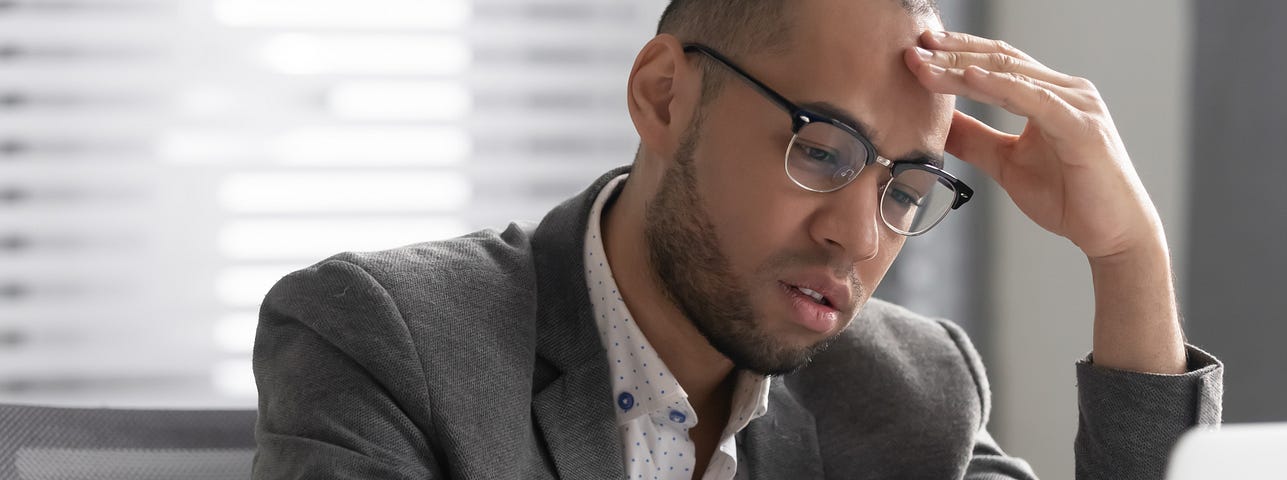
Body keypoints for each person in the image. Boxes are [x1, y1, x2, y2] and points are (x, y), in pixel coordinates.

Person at [250, 0, 1223, 478]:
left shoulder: (907, 385)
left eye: (905, 188)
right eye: (824, 148)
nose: (856, 234)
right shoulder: (388, 337)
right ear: (664, 96)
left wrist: (1125, 255)